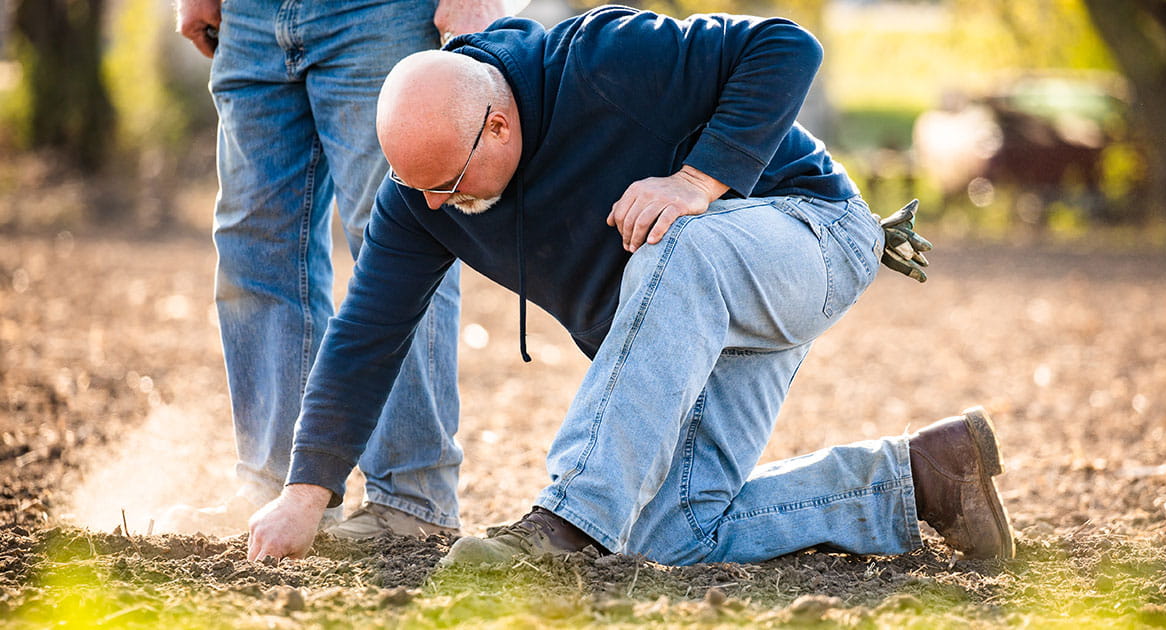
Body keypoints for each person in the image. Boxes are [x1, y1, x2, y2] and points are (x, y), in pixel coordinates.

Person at [247, 6, 1014, 565]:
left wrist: (695, 180)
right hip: (697, 307)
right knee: (672, 531)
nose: (438, 207)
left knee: (674, 242)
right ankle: (920, 479)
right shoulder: (422, 201)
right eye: (420, 191)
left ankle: (564, 525)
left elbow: (787, 45)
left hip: (811, 233)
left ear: (499, 127)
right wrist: (307, 490)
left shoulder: (603, 59)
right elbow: (365, 336)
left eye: (447, 181)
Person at [166, 0, 513, 539]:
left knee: (400, 236)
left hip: (382, 13)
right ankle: (279, 491)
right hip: (249, 17)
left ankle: (410, 500)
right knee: (252, 245)